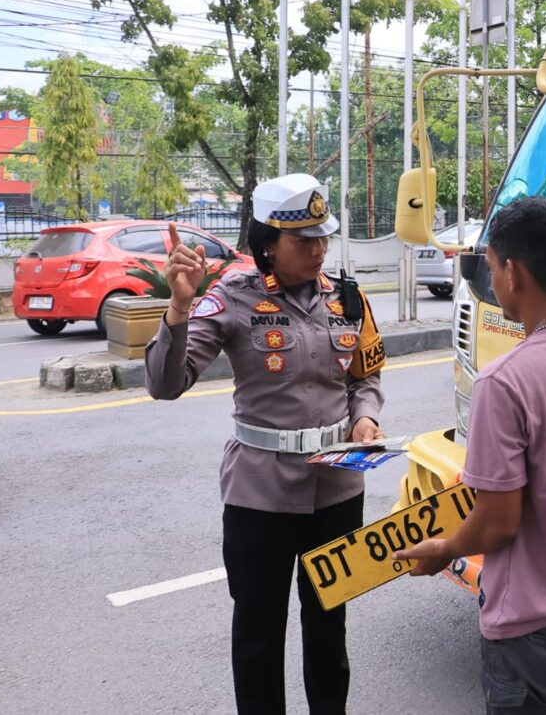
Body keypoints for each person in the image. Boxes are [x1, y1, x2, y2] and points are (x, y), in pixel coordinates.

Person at [145, 173, 387, 714]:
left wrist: (365, 419)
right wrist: (178, 311)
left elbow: (365, 379)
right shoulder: (231, 299)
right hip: (260, 495)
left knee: (330, 625)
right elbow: (165, 384)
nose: (319, 250)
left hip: (337, 489)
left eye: (323, 237)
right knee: (257, 634)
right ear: (268, 245)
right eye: (304, 241)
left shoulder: (346, 298)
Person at [394, 196, 546, 714]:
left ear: (512, 272)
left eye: (489, 266)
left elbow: (498, 524)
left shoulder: (505, 382)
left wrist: (445, 549)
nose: (491, 277)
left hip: (537, 621)